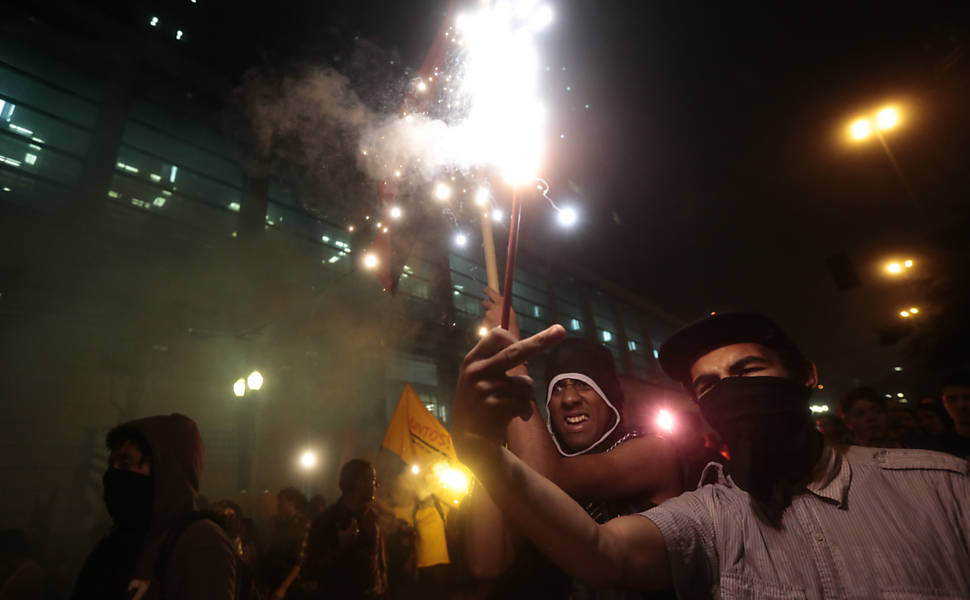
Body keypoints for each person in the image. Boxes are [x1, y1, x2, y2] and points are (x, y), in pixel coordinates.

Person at [451, 312, 970, 598]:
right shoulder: (713, 515)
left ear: (807, 377)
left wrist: (514, 370)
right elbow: (602, 553)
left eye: (746, 372)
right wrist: (477, 450)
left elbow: (551, 479)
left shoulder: (943, 487)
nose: (730, 393)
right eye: (708, 385)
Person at [463, 290, 683, 599]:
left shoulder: (654, 452)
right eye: (557, 389)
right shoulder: (528, 462)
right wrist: (489, 440)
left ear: (609, 399)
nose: (569, 399)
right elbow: (485, 564)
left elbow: (548, 478)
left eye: (583, 385)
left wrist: (514, 362)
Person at [71, 414, 236, 599]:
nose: (112, 474)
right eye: (112, 464)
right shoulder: (121, 540)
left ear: (166, 471)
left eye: (125, 464)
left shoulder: (200, 542)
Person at [302, 459, 387, 599]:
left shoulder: (372, 517)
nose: (376, 486)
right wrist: (341, 547)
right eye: (372, 480)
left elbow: (378, 559)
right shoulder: (327, 519)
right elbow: (311, 567)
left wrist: (382, 585)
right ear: (358, 483)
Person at [259, 487, 310, 599]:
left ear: (292, 503)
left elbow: (299, 561)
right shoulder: (279, 523)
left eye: (281, 503)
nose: (278, 506)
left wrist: (283, 587)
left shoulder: (301, 525)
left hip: (291, 587)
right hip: (274, 582)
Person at [940, 371, 970, 461]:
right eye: (952, 399)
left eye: (968, 397)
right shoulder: (938, 446)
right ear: (944, 403)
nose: (961, 406)